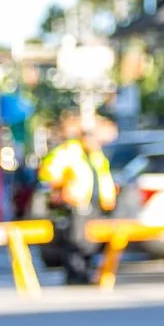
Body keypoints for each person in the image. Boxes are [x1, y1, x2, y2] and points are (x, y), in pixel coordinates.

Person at [36, 115, 115, 284]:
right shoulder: (70, 151)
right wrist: (60, 190)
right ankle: (75, 275)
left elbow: (102, 177)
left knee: (89, 242)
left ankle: (86, 272)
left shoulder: (95, 154)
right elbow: (48, 173)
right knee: (75, 241)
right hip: (76, 204)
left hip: (94, 205)